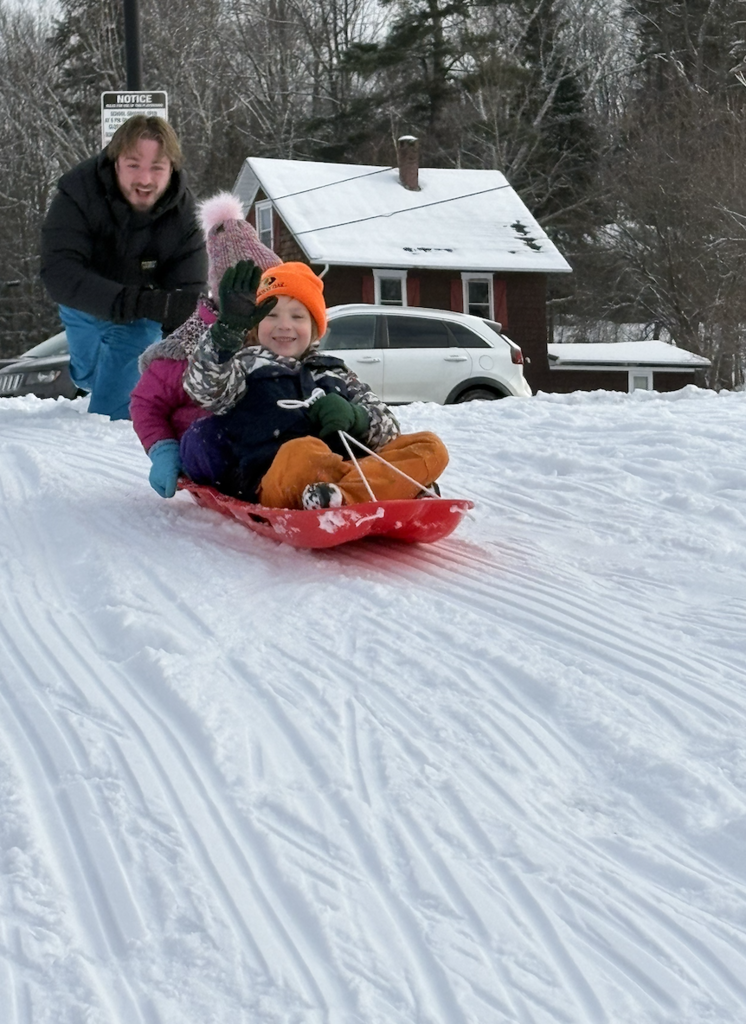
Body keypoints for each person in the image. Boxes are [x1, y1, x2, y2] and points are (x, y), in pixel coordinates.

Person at [179, 260, 449, 509]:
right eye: (271, 315)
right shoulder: (242, 366)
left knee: (430, 446)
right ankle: (390, 489)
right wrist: (224, 336)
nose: (284, 325)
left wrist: (357, 417)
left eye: (297, 317)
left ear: (316, 328)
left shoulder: (336, 371)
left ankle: (340, 497)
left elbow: (388, 429)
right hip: (281, 475)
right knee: (303, 450)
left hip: (348, 467)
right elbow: (204, 389)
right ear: (254, 324)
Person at [40, 115, 207, 420]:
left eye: (157, 167)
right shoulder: (78, 192)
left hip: (140, 319)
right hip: (86, 302)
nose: (145, 179)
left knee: (115, 407)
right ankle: (92, 376)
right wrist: (136, 301)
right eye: (133, 165)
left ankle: (116, 421)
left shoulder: (184, 216)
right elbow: (59, 272)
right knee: (87, 376)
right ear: (115, 162)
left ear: (172, 168)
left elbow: (188, 297)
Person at [129, 192, 281, 498]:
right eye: (249, 292)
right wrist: (163, 449)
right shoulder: (184, 350)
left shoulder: (276, 336)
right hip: (210, 449)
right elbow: (147, 403)